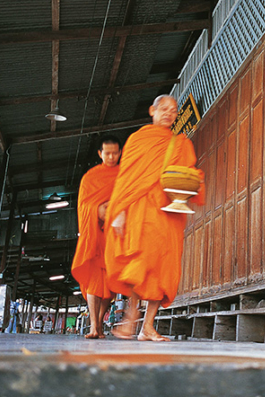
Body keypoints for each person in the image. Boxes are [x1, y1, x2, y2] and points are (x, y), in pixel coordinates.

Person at [104, 94, 204, 341]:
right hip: (141, 210)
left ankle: (147, 326)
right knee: (142, 263)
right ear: (152, 110)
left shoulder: (179, 143)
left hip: (168, 211)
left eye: (174, 110)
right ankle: (130, 320)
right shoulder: (138, 140)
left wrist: (194, 181)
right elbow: (126, 179)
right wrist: (120, 212)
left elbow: (187, 172)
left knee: (163, 268)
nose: (169, 113)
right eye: (164, 109)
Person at [71, 135, 122, 339]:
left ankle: (99, 323)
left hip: (114, 236)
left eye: (115, 153)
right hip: (94, 234)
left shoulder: (123, 175)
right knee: (93, 282)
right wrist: (98, 210)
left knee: (110, 287)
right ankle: (93, 326)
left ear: (120, 152)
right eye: (107, 153)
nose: (111, 157)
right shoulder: (90, 178)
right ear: (100, 154)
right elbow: (82, 206)